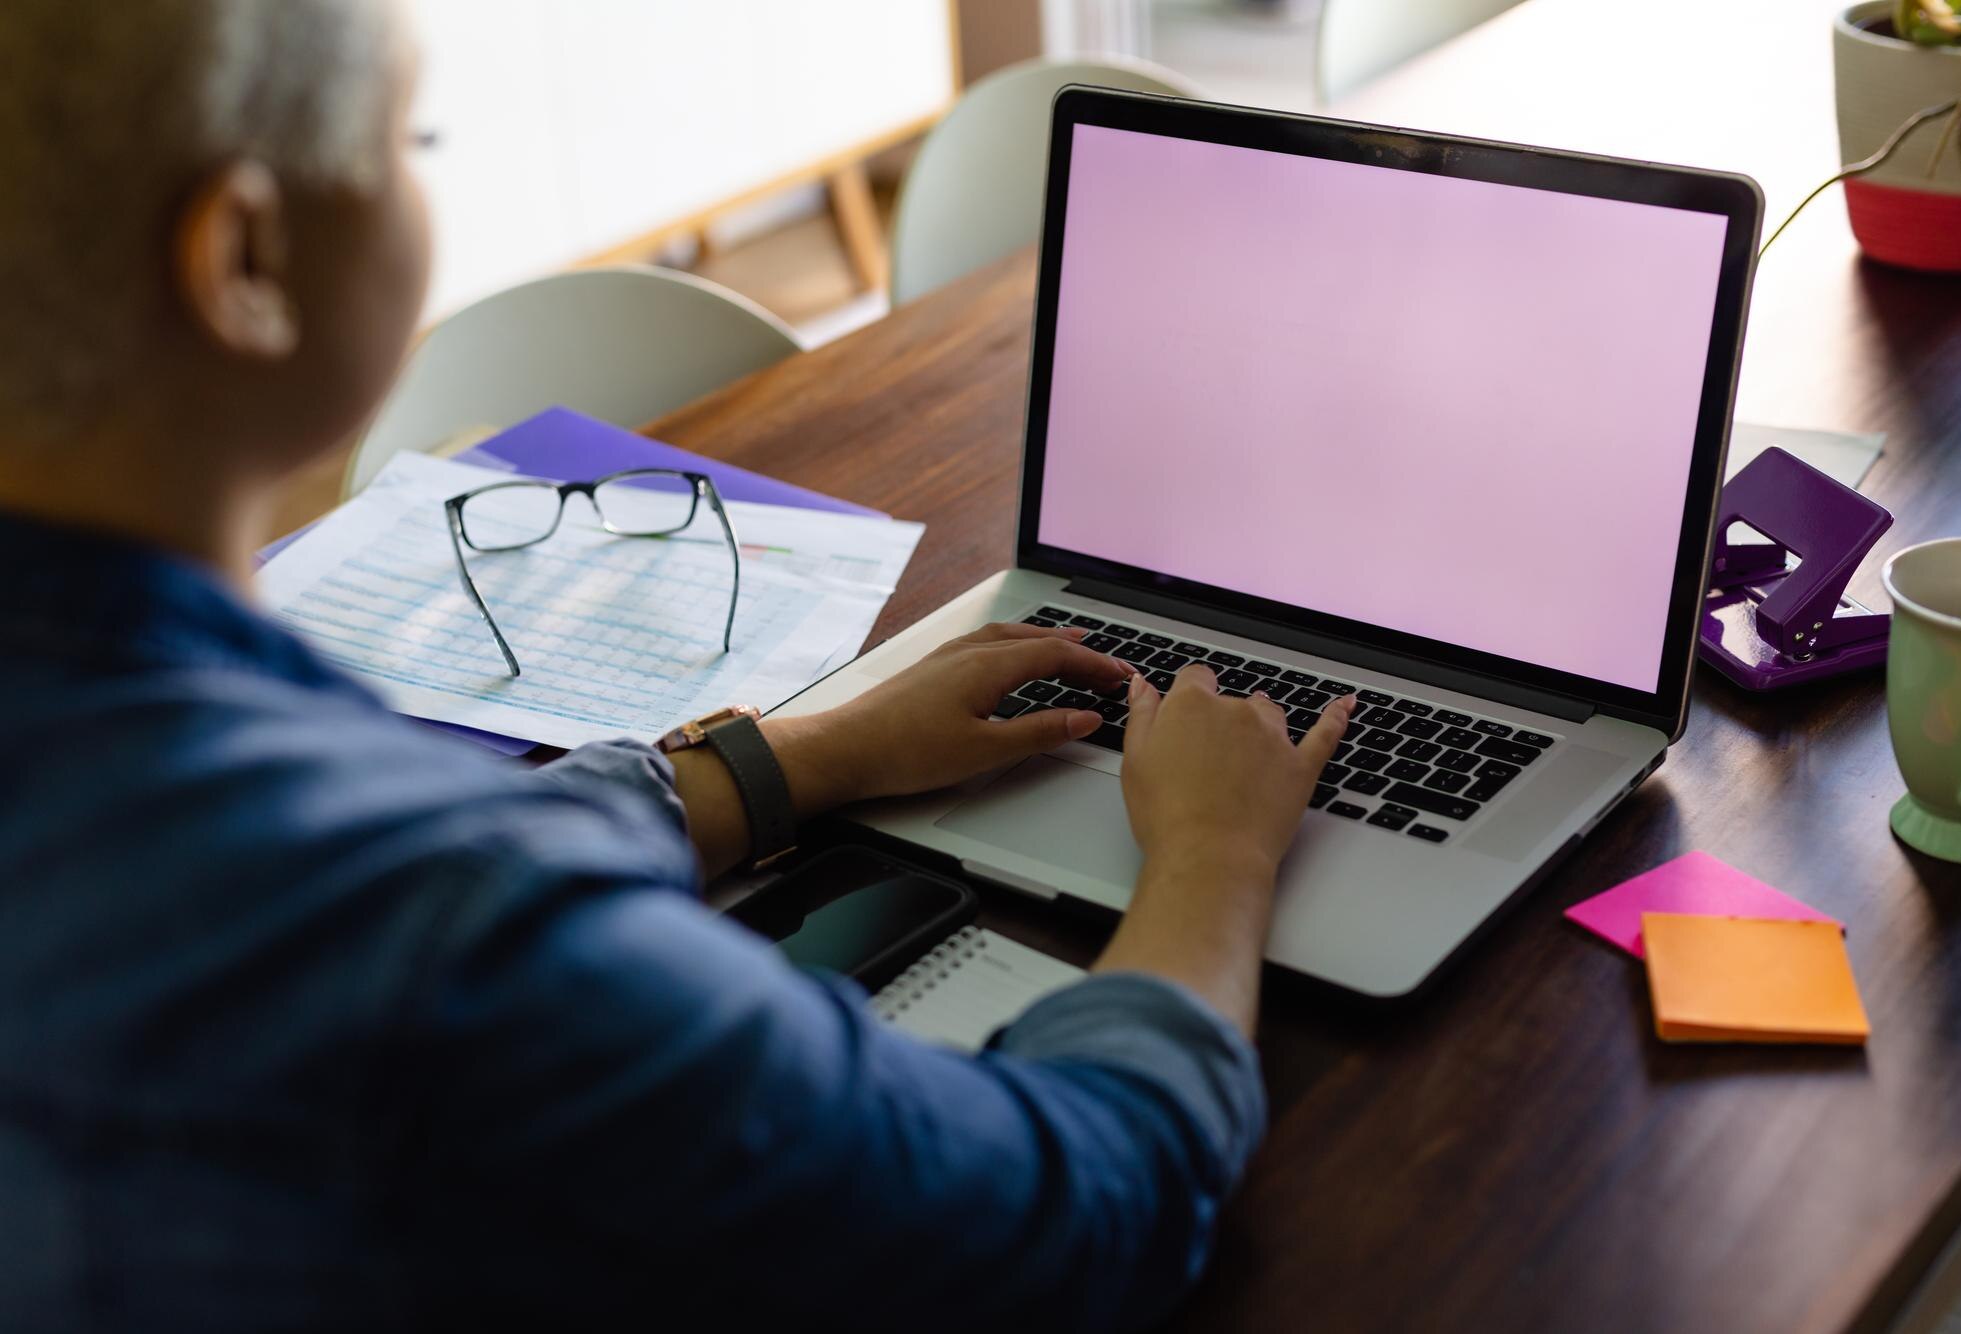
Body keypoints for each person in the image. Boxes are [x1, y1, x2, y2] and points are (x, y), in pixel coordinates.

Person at [0, 3, 1355, 1330]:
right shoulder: (437, 950)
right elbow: (1085, 1207)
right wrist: (1215, 858)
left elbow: (453, 862)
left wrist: (806, 755)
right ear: (242, 256)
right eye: (405, 137)